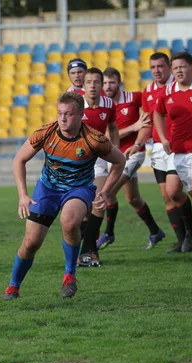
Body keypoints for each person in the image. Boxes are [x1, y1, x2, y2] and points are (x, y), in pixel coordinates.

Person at [2, 92, 125, 300]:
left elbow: (120, 160)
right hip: (47, 189)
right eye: (60, 113)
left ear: (80, 115)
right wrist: (23, 195)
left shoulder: (94, 139)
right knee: (31, 242)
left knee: (69, 222)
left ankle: (69, 275)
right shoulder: (46, 132)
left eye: (68, 114)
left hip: (79, 189)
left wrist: (105, 191)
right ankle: (13, 286)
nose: (63, 119)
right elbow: (19, 160)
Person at [126, 52, 192, 253]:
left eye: (161, 66)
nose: (157, 70)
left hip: (177, 147)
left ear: (169, 67)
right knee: (167, 197)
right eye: (153, 67)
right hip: (157, 148)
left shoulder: (178, 87)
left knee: (175, 191)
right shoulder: (148, 91)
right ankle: (182, 240)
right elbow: (147, 123)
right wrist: (138, 144)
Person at [154, 51, 192, 261]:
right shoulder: (168, 92)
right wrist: (163, 137)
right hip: (180, 153)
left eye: (183, 66)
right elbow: (158, 113)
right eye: (176, 68)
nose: (179, 71)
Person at [96, 67, 165, 250]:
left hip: (134, 153)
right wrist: (133, 127)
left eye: (112, 82)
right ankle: (156, 231)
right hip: (115, 155)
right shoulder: (101, 104)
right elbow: (106, 136)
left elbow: (147, 121)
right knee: (133, 198)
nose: (108, 86)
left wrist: (138, 140)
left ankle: (109, 234)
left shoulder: (134, 98)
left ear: (120, 83)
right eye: (105, 83)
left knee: (108, 192)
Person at [76, 67, 120, 267]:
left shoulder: (109, 104)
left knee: (99, 200)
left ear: (102, 85)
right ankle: (86, 248)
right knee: (81, 211)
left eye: (96, 82)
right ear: (83, 85)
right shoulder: (75, 104)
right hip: (76, 162)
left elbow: (112, 127)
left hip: (98, 160)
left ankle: (88, 251)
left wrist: (115, 151)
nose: (93, 86)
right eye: (89, 82)